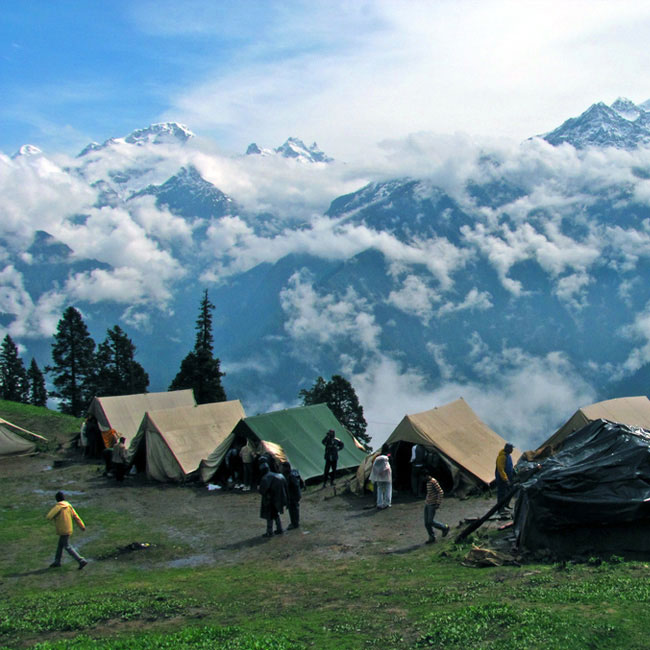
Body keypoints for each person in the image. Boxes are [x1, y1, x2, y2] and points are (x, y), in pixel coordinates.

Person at [46, 491, 88, 569]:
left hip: (62, 530)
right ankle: (57, 561)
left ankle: (81, 560)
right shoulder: (69, 506)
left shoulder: (58, 507)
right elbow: (76, 517)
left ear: (57, 499)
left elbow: (49, 516)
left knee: (67, 546)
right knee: (60, 545)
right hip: (69, 529)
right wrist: (82, 526)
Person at [258, 464, 288, 537]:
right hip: (280, 498)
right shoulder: (279, 475)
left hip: (270, 500)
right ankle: (279, 528)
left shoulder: (265, 478)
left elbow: (262, 490)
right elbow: (286, 486)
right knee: (275, 514)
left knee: (269, 516)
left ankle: (269, 532)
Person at [423, 473, 449, 544]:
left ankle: (444, 527)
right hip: (427, 503)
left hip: (432, 504)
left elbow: (440, 492)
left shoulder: (433, 481)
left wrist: (438, 503)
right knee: (426, 523)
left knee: (430, 521)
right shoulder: (428, 483)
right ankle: (431, 537)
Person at [281, 461, 304, 529]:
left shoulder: (291, 476)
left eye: (283, 467)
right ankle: (293, 523)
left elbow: (296, 486)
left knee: (294, 510)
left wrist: (296, 496)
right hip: (290, 496)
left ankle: (295, 523)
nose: (281, 469)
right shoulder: (286, 475)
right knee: (291, 510)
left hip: (293, 496)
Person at [495, 442, 515, 512]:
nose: (512, 450)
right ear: (508, 449)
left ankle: (506, 504)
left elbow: (510, 466)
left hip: (509, 476)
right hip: (502, 478)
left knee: (510, 491)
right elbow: (501, 469)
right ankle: (500, 508)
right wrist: (505, 479)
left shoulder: (508, 455)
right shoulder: (502, 456)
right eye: (511, 449)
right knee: (502, 493)